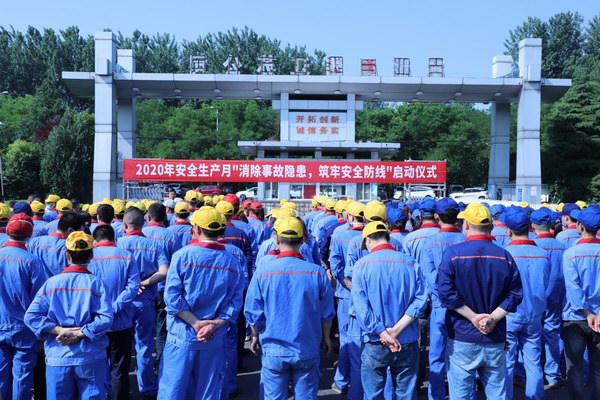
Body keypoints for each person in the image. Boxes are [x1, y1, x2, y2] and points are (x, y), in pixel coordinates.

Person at [437, 202, 523, 399]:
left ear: (466, 224)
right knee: (497, 393)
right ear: (490, 226)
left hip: (462, 335)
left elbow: (445, 293)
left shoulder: (453, 254)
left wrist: (474, 317)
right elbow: (515, 295)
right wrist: (492, 318)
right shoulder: (504, 255)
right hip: (494, 335)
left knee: (461, 395)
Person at [158, 207, 244, 399]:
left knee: (173, 390)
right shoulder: (232, 261)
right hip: (214, 338)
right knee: (209, 392)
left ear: (196, 229)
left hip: (182, 336)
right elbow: (235, 302)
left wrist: (196, 323)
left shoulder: (182, 256)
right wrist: (214, 324)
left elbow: (172, 298)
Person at [245, 216, 335, 399]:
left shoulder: (263, 272)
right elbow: (327, 313)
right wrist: (326, 337)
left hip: (274, 349)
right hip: (306, 347)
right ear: (302, 240)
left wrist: (254, 336)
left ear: (277, 239)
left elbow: (253, 312)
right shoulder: (317, 273)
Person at [25, 231, 113, 400]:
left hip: (58, 357)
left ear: (67, 255)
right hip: (90, 356)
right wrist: (80, 333)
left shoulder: (51, 283)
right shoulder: (97, 284)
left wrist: (59, 330)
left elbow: (31, 316)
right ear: (91, 256)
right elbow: (106, 319)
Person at [351, 221, 427, 399]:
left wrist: (382, 333)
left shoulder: (361, 265)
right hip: (406, 339)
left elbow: (361, 308)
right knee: (406, 394)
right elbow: (421, 299)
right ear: (387, 237)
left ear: (368, 240)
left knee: (373, 394)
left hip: (375, 340)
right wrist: (397, 329)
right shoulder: (410, 263)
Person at [118, 207, 169, 399]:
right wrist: (144, 283)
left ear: (124, 225)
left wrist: (131, 286)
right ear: (144, 223)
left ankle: (116, 387)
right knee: (144, 346)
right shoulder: (154, 245)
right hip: (145, 303)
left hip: (121, 303)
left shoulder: (117, 244)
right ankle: (147, 388)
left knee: (118, 348)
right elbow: (164, 272)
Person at [502, 206, 550, 400]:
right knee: (533, 362)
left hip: (509, 315)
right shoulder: (543, 254)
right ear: (530, 228)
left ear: (508, 230)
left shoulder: (504, 254)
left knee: (506, 362)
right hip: (534, 315)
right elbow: (546, 283)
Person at [88, 225, 140, 400]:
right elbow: (133, 287)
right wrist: (115, 308)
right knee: (119, 370)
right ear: (114, 239)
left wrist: (103, 312)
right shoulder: (126, 256)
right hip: (121, 323)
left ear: (94, 240)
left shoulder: (89, 257)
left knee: (96, 370)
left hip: (95, 323)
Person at [0, 213, 48, 400]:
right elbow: (40, 299)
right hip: (24, 327)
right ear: (29, 235)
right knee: (22, 376)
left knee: (1, 373)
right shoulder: (32, 261)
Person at [422, 198, 465, 400]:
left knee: (436, 355)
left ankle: (436, 396)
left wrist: (444, 294)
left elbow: (429, 275)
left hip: (440, 305)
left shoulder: (430, 242)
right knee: (462, 356)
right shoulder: (466, 240)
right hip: (464, 307)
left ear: (436, 216)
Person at [562, 205, 600, 398]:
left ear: (580, 226)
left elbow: (573, 288)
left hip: (575, 316)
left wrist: (588, 313)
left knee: (575, 368)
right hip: (598, 318)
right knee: (598, 369)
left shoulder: (571, 254)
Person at [328, 201, 365, 394]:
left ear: (349, 216)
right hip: (369, 295)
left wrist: (349, 286)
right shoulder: (374, 234)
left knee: (347, 338)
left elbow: (335, 267)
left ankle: (342, 380)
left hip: (345, 295)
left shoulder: (339, 234)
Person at [143, 203, 182, 370]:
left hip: (142, 288)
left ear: (148, 216)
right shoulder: (171, 236)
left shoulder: (141, 233)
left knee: (142, 333)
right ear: (165, 217)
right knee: (161, 329)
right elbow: (177, 264)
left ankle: (144, 368)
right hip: (163, 288)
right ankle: (159, 365)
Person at [531, 207, 567, 388]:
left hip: (534, 298)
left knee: (531, 337)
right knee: (552, 334)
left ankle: (532, 372)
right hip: (555, 296)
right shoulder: (561, 246)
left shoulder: (531, 245)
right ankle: (552, 374)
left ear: (533, 226)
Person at [28, 212, 83, 277]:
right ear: (70, 231)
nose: (81, 236)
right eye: (80, 232)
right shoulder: (69, 247)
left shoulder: (33, 242)